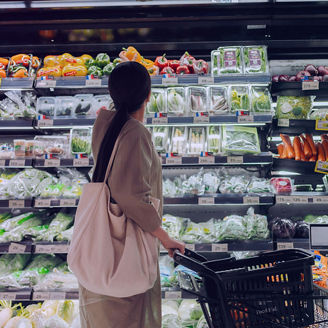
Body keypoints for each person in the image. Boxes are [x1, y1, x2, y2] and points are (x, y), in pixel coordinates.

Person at [79, 61, 185, 328]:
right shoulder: (135, 132)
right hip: (125, 250)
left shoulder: (104, 123)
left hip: (101, 251)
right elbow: (131, 197)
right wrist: (165, 238)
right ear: (148, 96)